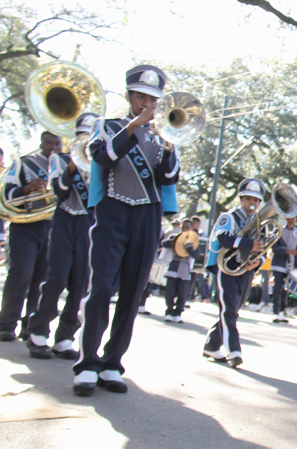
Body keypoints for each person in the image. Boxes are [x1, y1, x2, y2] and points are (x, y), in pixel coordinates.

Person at [73, 65, 180, 396]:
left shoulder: (163, 135)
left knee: (133, 293)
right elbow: (102, 157)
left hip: (147, 215)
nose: (146, 103)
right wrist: (135, 126)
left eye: (152, 99)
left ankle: (112, 363)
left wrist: (169, 145)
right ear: (129, 97)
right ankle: (87, 363)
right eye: (140, 97)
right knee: (101, 288)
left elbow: (169, 178)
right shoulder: (108, 127)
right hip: (112, 211)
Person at [26, 115, 95, 359]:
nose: (86, 142)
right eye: (82, 136)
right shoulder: (59, 159)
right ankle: (38, 331)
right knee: (56, 278)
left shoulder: (102, 163)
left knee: (80, 283)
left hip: (88, 224)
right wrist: (75, 163)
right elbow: (60, 191)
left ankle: (65, 337)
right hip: (65, 220)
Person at [0, 131, 59, 344]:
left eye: (57, 143)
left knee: (42, 280)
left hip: (52, 228)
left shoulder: (65, 166)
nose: (53, 146)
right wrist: (27, 188)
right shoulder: (24, 163)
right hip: (25, 226)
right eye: (49, 142)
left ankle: (31, 326)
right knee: (21, 273)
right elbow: (6, 193)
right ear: (41, 142)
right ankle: (6, 324)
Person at [203, 178, 267, 368]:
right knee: (229, 311)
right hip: (227, 270)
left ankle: (211, 345)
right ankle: (234, 351)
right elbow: (222, 238)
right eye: (248, 199)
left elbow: (263, 247)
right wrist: (248, 244)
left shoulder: (258, 222)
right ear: (241, 199)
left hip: (245, 271)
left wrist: (257, 262)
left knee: (231, 311)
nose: (252, 204)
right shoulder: (229, 217)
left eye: (256, 201)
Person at [162, 219, 199, 323]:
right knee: (170, 292)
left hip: (185, 269)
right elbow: (164, 244)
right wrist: (175, 242)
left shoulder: (194, 241)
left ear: (191, 228)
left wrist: (190, 248)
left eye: (187, 227)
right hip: (173, 267)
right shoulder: (175, 237)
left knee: (182, 294)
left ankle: (178, 313)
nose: (185, 229)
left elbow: (196, 255)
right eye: (183, 227)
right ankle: (169, 312)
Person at [271, 216, 297, 323]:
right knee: (278, 288)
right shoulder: (278, 231)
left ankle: (282, 311)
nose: (292, 219)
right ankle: (276, 312)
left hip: (291, 265)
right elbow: (274, 247)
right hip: (279, 264)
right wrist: (287, 251)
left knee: (287, 289)